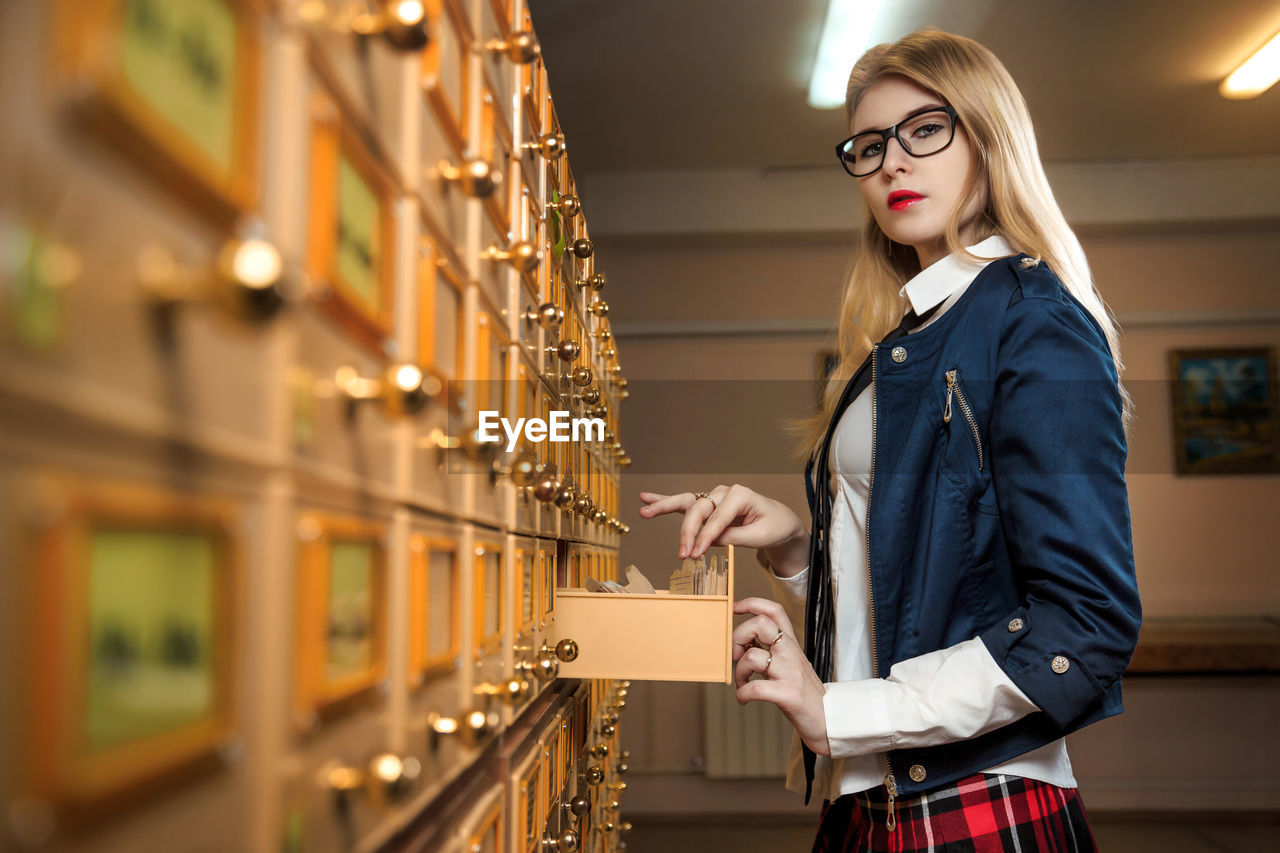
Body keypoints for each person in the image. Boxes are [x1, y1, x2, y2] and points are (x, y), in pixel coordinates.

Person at [637, 27, 1141, 852]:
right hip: (877, 794)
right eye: (870, 146)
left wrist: (838, 710)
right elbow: (921, 578)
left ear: (989, 135)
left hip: (974, 800)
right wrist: (799, 541)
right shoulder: (914, 331)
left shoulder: (1033, 320)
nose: (893, 163)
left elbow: (1085, 624)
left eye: (925, 130)